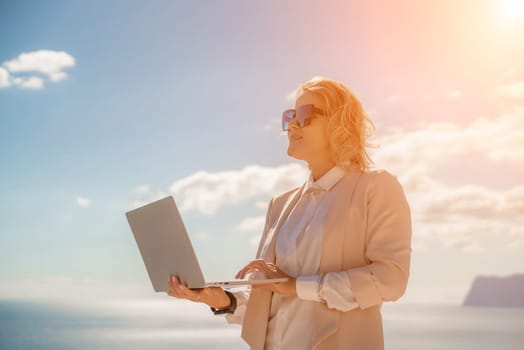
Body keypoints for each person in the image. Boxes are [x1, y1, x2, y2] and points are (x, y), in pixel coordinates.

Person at [167, 76, 412, 350]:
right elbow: (267, 299)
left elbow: (391, 280)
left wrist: (297, 286)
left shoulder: (375, 187)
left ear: (339, 123)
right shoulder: (280, 205)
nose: (293, 124)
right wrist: (217, 298)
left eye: (306, 115)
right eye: (290, 115)